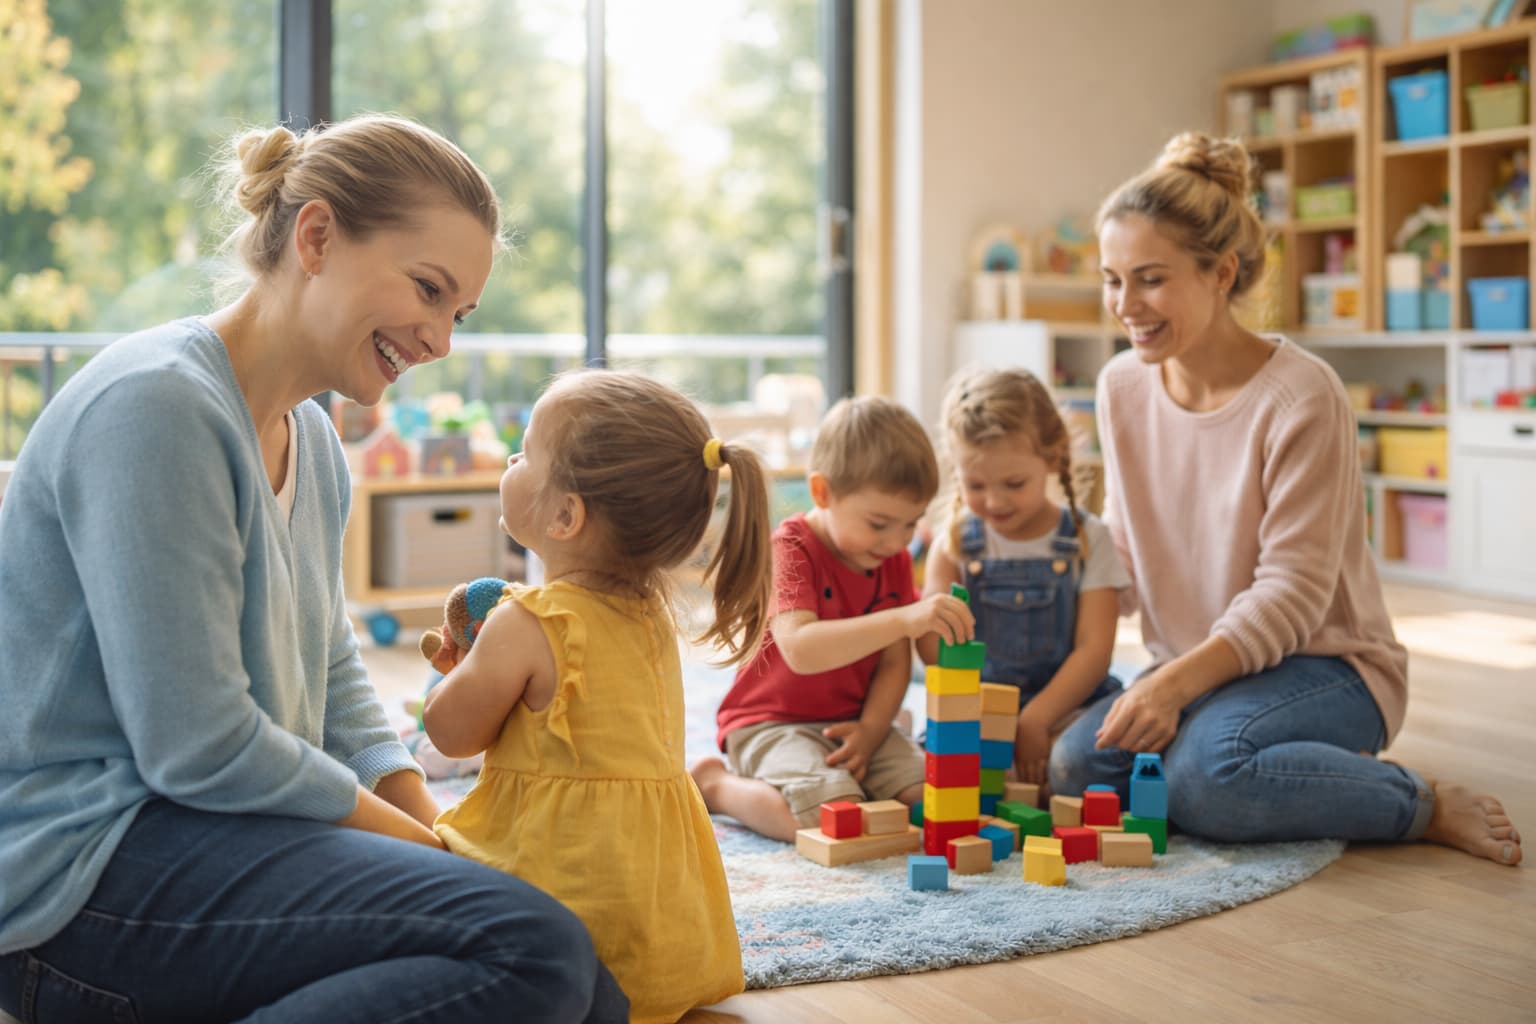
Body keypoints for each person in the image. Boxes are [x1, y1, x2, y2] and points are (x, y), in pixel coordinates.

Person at [0, 114, 629, 1022]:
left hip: (208, 839)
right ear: (318, 236)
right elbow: (200, 746)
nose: (441, 339)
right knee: (529, 948)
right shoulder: (156, 408)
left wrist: (435, 834)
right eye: (428, 289)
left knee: (589, 982)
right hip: (77, 879)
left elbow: (332, 677)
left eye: (458, 312)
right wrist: (425, 854)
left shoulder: (317, 443)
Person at [1048, 131, 1522, 868]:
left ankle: (1417, 802)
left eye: (1149, 279)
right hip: (1205, 669)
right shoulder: (1122, 387)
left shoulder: (1302, 395)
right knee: (1076, 767)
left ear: (1221, 273)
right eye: (1113, 280)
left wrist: (1170, 686)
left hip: (1329, 665)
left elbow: (1295, 594)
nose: (1125, 306)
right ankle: (1284, 758)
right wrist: (1052, 592)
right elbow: (1130, 549)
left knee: (1206, 779)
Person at [425, 369, 763, 1023]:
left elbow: (449, 734)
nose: (513, 460)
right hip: (663, 941)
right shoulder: (651, 620)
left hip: (569, 910)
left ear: (564, 515)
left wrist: (454, 672)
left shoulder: (526, 623)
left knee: (413, 865)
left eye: (525, 451)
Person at [691, 396, 975, 842]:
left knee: (933, 798)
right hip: (770, 722)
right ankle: (717, 785)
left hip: (855, 720)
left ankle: (856, 770)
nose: (897, 541)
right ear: (822, 493)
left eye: (910, 524)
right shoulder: (790, 549)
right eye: (879, 523)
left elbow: (894, 664)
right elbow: (801, 649)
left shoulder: (892, 558)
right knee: (832, 819)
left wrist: (872, 729)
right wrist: (903, 619)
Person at [917, 366, 1132, 785]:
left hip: (1067, 706)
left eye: (1014, 483)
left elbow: (1094, 649)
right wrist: (986, 715)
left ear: (1052, 458)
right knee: (930, 772)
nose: (995, 501)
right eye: (976, 485)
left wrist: (1035, 719)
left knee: (1083, 761)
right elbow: (931, 646)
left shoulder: (1088, 538)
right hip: (979, 709)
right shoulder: (955, 545)